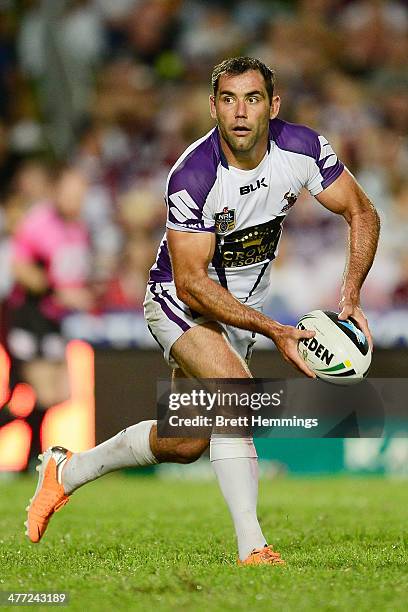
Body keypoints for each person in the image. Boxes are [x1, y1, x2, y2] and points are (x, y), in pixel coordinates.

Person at [25, 57, 380, 565]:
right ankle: (252, 548)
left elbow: (361, 210)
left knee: (184, 441)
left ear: (272, 106)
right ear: (213, 106)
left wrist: (351, 297)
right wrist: (276, 330)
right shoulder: (193, 175)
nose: (240, 112)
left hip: (241, 310)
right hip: (178, 301)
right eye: (229, 99)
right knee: (236, 393)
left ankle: (67, 471)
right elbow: (192, 283)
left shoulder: (301, 148)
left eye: (252, 98)